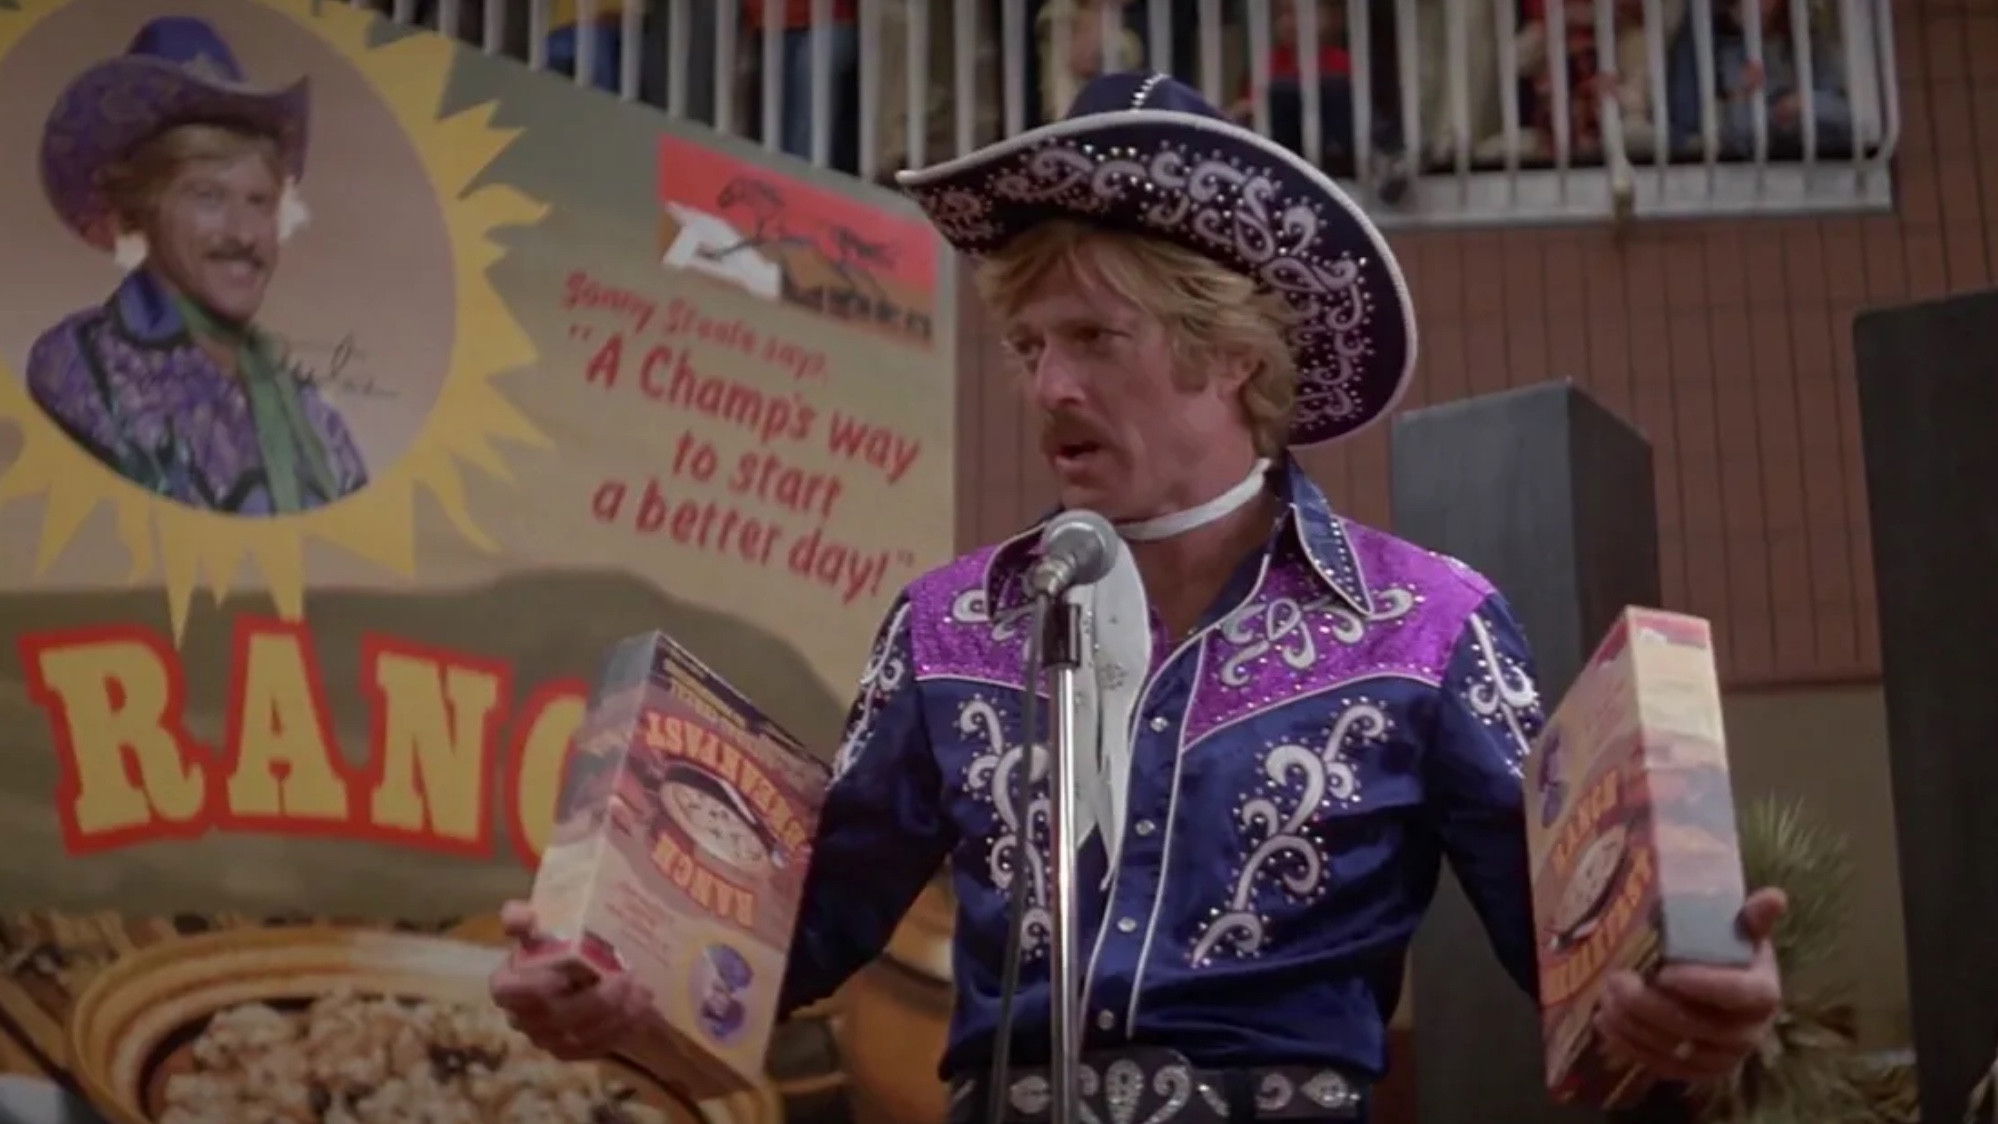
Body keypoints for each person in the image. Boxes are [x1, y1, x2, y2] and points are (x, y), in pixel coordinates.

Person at [490, 71, 1787, 1122]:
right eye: (1028, 345)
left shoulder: (1424, 625)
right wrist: (623, 984)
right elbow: (799, 935)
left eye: (1095, 339)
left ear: (1233, 359)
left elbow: (1578, 955)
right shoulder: (946, 625)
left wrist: (1690, 1000)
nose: (1048, 386)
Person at [24, 16, 369, 516]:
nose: (244, 233)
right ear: (142, 207)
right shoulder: (85, 366)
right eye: (209, 196)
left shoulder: (310, 412)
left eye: (259, 202)